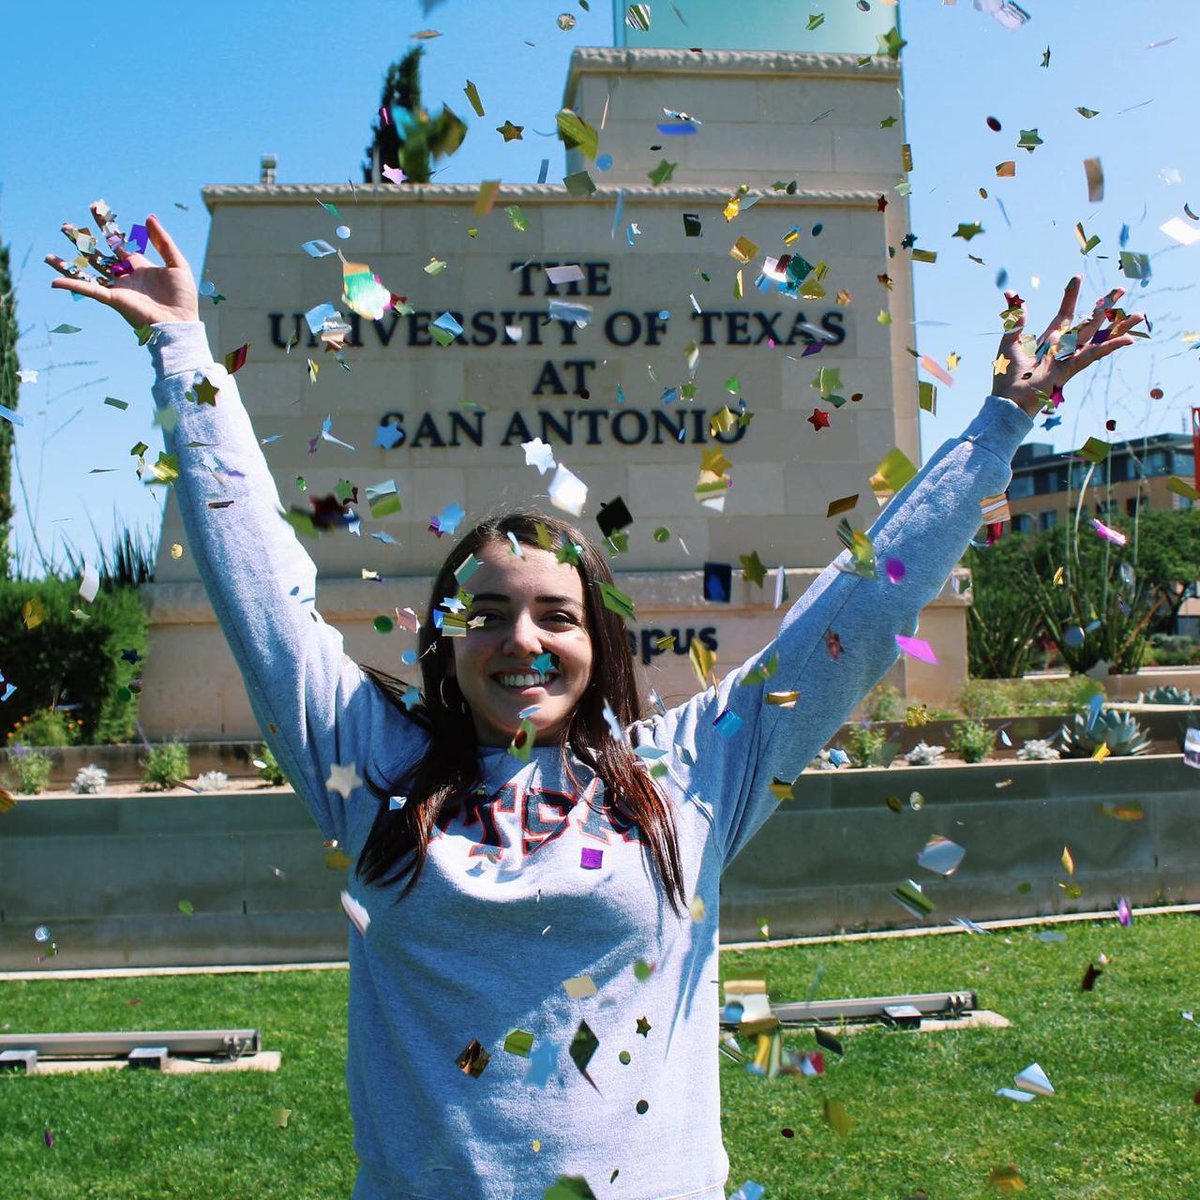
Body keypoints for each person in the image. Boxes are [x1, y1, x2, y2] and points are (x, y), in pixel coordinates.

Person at [48, 206, 1143, 1200]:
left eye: (555, 615)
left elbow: (847, 621)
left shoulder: (693, 772)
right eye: (485, 612)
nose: (520, 639)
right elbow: (263, 596)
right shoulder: (367, 767)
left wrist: (998, 425)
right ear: (445, 637)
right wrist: (184, 349)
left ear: (600, 639)